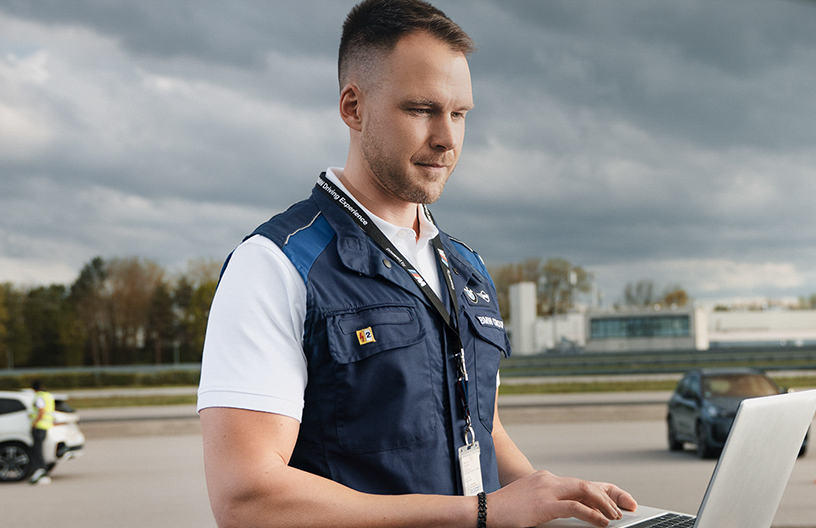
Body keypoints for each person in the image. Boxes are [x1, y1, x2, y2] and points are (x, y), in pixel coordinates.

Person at [196, 1, 637, 526]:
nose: (447, 138)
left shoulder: (465, 266)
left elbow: (481, 432)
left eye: (459, 113)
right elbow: (247, 499)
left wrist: (566, 501)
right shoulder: (274, 266)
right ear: (353, 107)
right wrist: (481, 513)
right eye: (421, 109)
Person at [26, 379, 54, 485]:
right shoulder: (48, 396)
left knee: (37, 450)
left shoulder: (39, 397)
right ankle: (42, 470)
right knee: (38, 449)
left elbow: (41, 411)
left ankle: (41, 469)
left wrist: (35, 422)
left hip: (39, 426)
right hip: (46, 426)